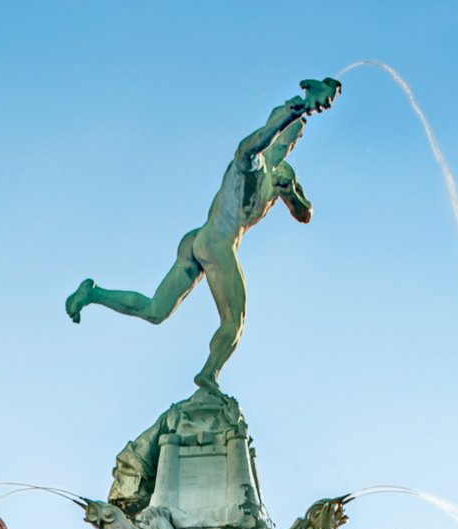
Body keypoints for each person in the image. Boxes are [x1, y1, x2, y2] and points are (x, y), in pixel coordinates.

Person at [66, 77, 340, 393]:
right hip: (218, 241)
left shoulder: (283, 175)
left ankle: (92, 293)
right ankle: (209, 374)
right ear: (278, 127)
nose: (292, 140)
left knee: (156, 311)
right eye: (289, 133)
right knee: (234, 323)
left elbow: (305, 214)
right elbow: (251, 145)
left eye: (296, 138)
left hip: (199, 239)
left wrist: (291, 195)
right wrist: (299, 109)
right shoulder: (251, 162)